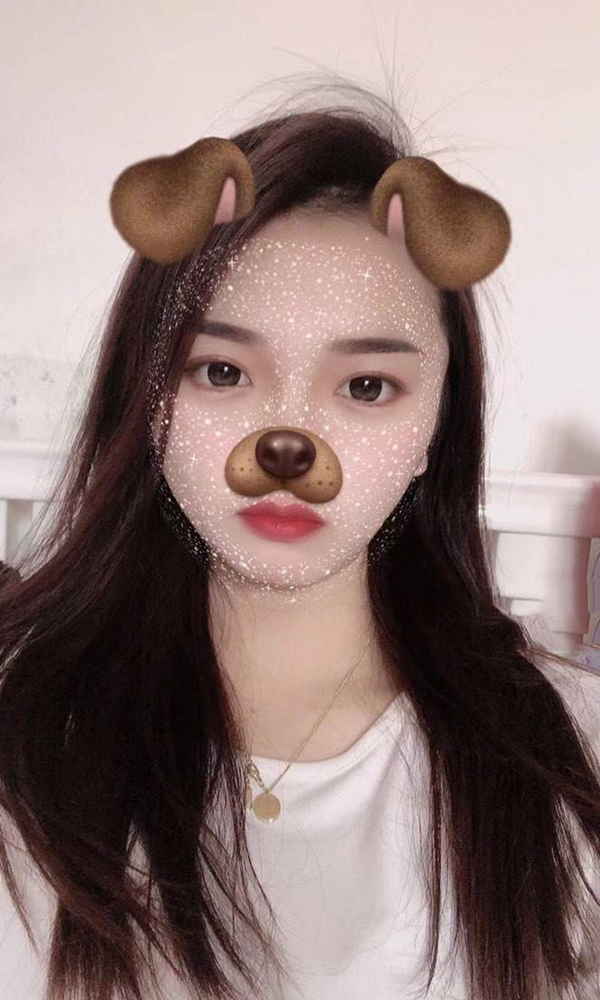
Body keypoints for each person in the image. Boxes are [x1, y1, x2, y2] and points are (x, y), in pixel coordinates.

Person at [0, 83, 599, 1000]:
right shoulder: (25, 735)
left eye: (365, 387)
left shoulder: (567, 757)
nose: (288, 442)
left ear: (438, 423)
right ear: (148, 400)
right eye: (222, 371)